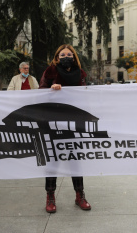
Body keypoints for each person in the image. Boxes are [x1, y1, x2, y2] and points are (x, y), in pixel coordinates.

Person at [39, 44, 91, 213]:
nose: (66, 56)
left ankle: (79, 195)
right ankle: (50, 196)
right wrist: (51, 90)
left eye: (69, 54)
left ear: (74, 57)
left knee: (75, 159)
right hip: (53, 122)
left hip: (74, 122)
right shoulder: (50, 72)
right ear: (57, 57)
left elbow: (84, 94)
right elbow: (40, 93)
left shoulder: (81, 73)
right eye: (62, 54)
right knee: (53, 160)